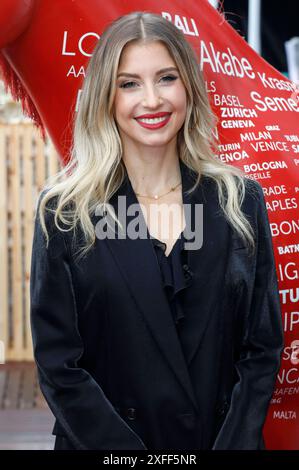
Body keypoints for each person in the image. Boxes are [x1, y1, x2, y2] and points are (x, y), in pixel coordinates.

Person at [30, 11, 284, 451]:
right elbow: (59, 365)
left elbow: (261, 349)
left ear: (188, 86)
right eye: (129, 83)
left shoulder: (239, 200)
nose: (152, 100)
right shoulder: (64, 212)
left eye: (166, 78)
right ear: (105, 97)